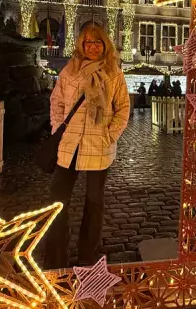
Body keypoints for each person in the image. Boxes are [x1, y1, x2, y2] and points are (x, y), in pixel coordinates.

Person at [43, 24, 130, 268]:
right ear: (81, 45)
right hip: (69, 144)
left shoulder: (113, 73)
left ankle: (86, 258)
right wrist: (58, 128)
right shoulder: (70, 70)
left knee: (94, 202)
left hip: (98, 145)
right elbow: (57, 101)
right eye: (88, 42)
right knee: (58, 201)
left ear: (105, 45)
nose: (93, 47)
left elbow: (123, 108)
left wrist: (109, 135)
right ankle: (56, 257)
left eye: (97, 42)